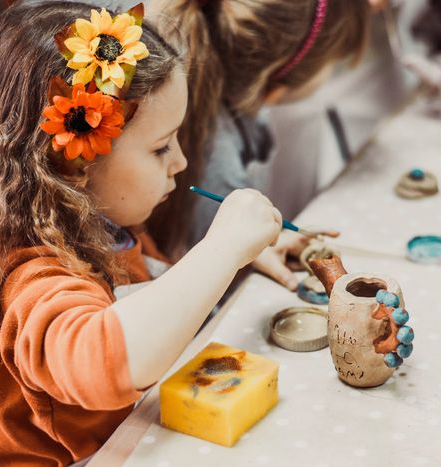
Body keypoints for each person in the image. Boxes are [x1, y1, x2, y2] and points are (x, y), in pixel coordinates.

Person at [0, 2, 281, 465]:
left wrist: (244, 254)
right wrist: (221, 250)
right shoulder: (30, 281)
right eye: (161, 147)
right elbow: (108, 360)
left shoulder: (113, 229)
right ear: (74, 163)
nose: (179, 162)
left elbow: (155, 301)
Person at [148, 0, 370, 290]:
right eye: (334, 63)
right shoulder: (217, 162)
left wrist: (256, 246)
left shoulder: (218, 114)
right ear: (278, 84)